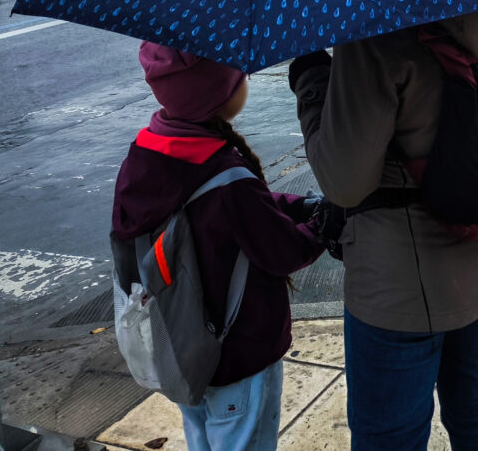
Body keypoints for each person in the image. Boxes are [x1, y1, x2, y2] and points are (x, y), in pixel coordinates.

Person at [288, 0, 478, 451]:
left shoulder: (372, 21)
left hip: (403, 278)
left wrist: (311, 80)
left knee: (389, 434)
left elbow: (345, 181)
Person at [113, 44, 325, 451]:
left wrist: (298, 206)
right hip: (240, 354)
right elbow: (281, 249)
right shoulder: (227, 178)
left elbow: (235, 213)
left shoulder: (147, 152)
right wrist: (321, 226)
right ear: (219, 93)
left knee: (202, 438)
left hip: (183, 348)